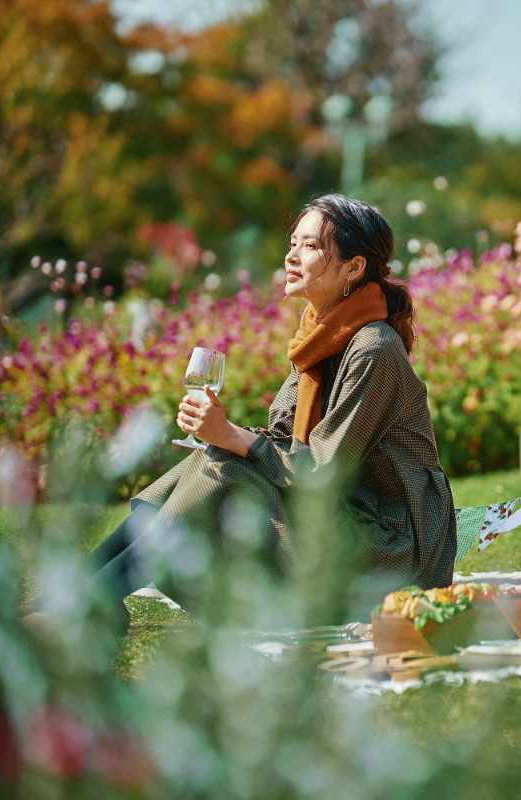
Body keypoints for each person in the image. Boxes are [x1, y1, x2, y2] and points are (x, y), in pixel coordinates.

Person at [76, 194, 458, 633]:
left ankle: (94, 600)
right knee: (211, 458)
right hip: (348, 517)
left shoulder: (373, 348)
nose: (291, 256)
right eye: (293, 242)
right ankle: (87, 589)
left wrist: (233, 436)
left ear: (353, 268)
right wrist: (222, 433)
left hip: (394, 552)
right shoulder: (322, 335)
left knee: (224, 465)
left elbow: (319, 470)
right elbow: (282, 441)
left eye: (311, 246)